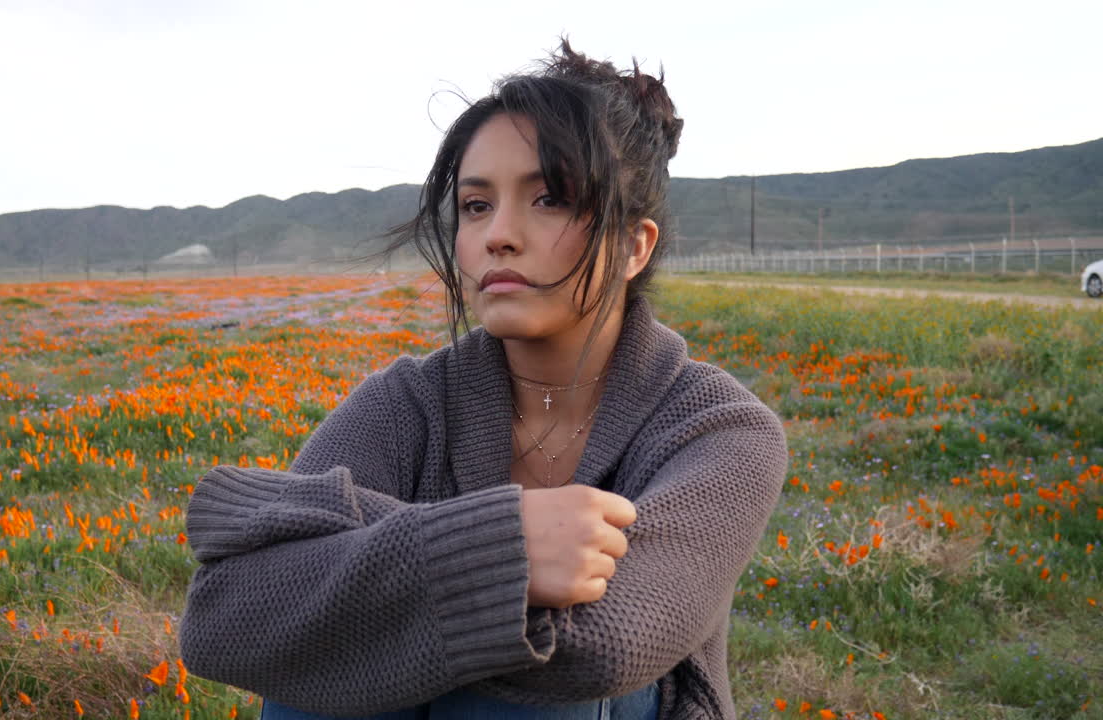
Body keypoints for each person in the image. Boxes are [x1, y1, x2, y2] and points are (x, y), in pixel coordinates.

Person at [179, 39, 788, 720]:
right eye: (475, 205)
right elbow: (223, 612)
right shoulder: (407, 403)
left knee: (491, 666)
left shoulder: (718, 429)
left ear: (634, 246)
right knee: (331, 666)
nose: (499, 234)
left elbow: (604, 646)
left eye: (550, 199)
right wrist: (506, 544)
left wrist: (344, 545)